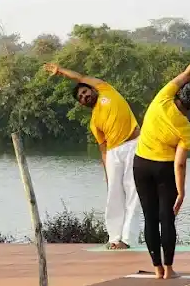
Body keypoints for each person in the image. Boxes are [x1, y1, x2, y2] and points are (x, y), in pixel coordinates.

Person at [133, 36, 190, 279]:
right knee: (167, 219)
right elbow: (180, 163)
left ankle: (157, 269)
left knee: (150, 218)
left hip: (141, 165)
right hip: (164, 170)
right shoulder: (185, 128)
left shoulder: (162, 99)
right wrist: (181, 192)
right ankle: (169, 269)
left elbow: (188, 72)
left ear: (180, 93)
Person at [42, 63, 141, 249]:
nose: (84, 97)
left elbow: (80, 77)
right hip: (113, 153)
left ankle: (128, 240)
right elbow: (103, 149)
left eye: (85, 92)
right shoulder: (94, 122)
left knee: (133, 192)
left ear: (92, 89)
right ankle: (114, 238)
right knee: (114, 195)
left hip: (133, 145)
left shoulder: (106, 90)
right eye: (80, 97)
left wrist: (60, 71)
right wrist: (107, 174)